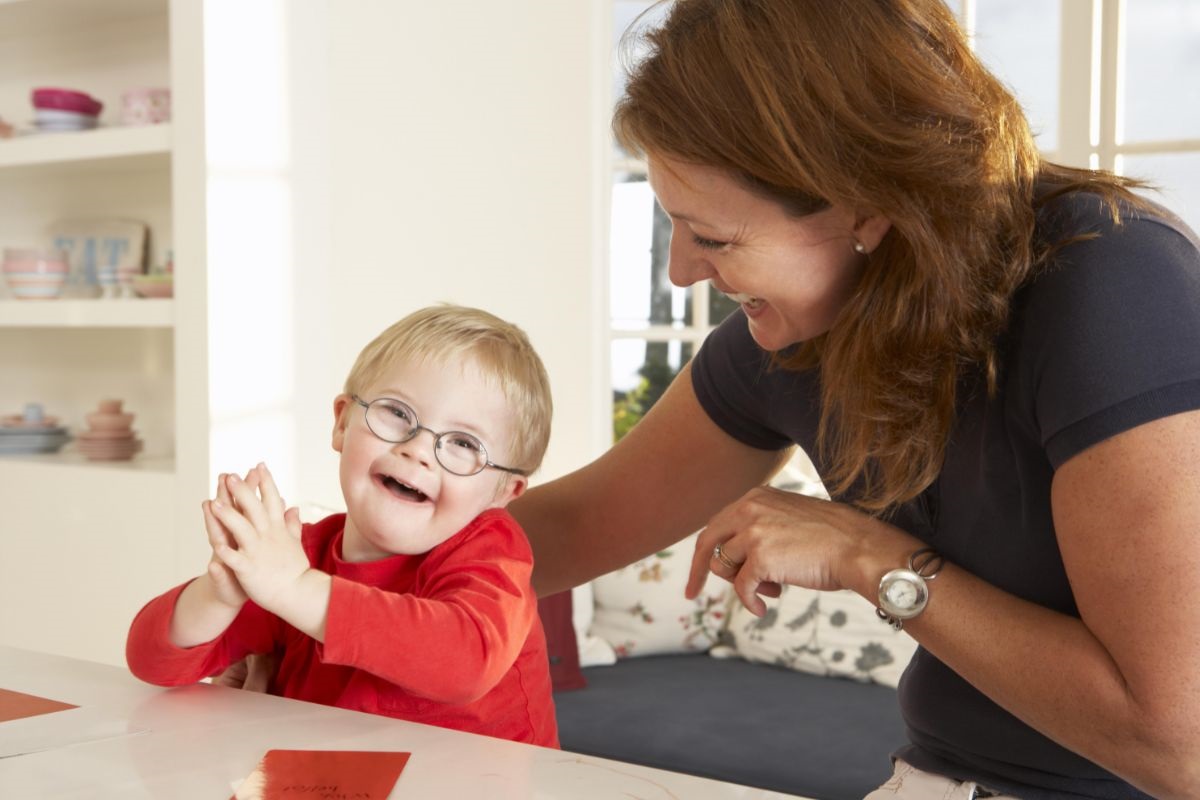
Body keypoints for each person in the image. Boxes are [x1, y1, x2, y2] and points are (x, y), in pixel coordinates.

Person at [512, 2, 1200, 799]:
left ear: (865, 206)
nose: (681, 273)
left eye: (714, 237)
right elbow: (566, 530)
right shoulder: (803, 331)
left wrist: (867, 555)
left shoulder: (1112, 288)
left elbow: (1178, 744)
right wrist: (342, 561)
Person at [127, 304, 558, 747]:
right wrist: (218, 593)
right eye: (399, 413)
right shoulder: (300, 556)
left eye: (465, 443)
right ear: (341, 422)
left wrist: (294, 588)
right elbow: (151, 660)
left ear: (503, 492)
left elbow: (466, 662)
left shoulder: (493, 551)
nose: (419, 450)